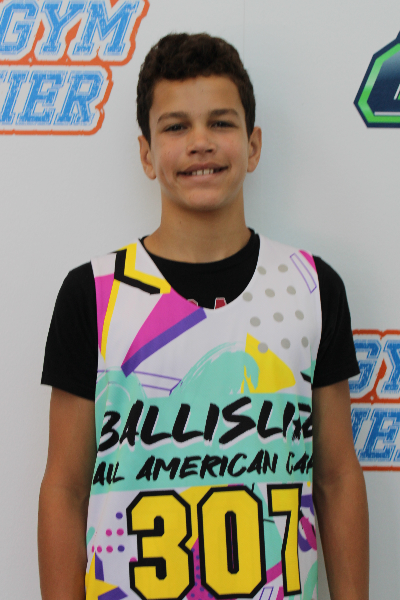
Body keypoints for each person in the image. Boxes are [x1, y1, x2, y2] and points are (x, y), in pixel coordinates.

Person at [38, 33, 369, 600]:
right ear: (146, 154)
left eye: (220, 122)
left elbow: (337, 477)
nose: (200, 143)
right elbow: (65, 488)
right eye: (175, 127)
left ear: (253, 145)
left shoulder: (311, 286)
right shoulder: (92, 294)